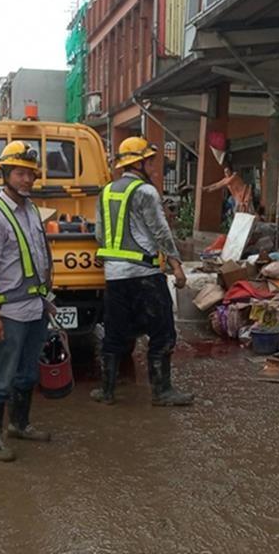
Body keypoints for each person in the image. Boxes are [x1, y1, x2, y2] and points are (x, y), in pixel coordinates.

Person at [92, 136, 194, 407]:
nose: (154, 166)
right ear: (138, 163)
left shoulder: (106, 192)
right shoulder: (145, 192)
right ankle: (162, 392)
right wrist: (176, 265)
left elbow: (100, 234)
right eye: (150, 161)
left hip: (115, 278)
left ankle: (107, 391)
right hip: (144, 275)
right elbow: (160, 231)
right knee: (162, 333)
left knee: (114, 335)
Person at [0, 141, 55, 462]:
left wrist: (47, 295)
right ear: (5, 174)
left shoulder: (32, 209)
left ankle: (19, 425)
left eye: (31, 174)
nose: (27, 180)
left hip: (35, 308)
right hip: (8, 312)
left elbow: (39, 254)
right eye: (20, 173)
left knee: (27, 375)